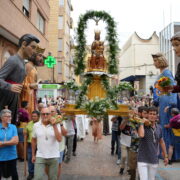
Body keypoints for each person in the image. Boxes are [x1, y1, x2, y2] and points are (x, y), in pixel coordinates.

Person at [0, 34, 39, 124]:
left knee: (11, 125)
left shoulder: (22, 62)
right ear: (24, 44)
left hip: (14, 97)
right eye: (32, 47)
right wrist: (9, 86)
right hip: (5, 98)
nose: (34, 51)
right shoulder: (13, 60)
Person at [152, 53, 179, 160]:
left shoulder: (167, 73)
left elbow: (172, 90)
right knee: (164, 127)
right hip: (163, 102)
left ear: (160, 61)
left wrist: (170, 104)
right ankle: (165, 152)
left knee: (168, 127)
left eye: (155, 61)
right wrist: (157, 101)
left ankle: (170, 154)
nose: (154, 63)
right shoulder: (162, 73)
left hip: (167, 104)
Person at [138, 107, 168, 180]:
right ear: (147, 115)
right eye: (150, 114)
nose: (152, 115)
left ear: (157, 116)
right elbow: (141, 135)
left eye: (154, 114)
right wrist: (141, 123)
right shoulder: (142, 126)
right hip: (142, 159)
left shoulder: (159, 128)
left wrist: (166, 156)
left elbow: (161, 141)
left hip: (154, 159)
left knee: (151, 178)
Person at [31, 107, 62, 180]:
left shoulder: (56, 124)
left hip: (53, 156)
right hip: (40, 155)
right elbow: (33, 140)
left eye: (47, 114)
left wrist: (54, 125)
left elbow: (59, 139)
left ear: (50, 115)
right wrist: (33, 155)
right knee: (37, 178)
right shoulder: (36, 125)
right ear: (40, 115)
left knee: (52, 178)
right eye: (43, 114)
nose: (45, 116)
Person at [21, 46, 45, 115]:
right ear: (34, 55)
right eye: (40, 55)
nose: (41, 59)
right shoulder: (28, 66)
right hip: (27, 97)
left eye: (42, 56)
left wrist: (35, 85)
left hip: (32, 96)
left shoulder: (33, 67)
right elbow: (22, 83)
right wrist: (33, 85)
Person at [0, 109, 19, 180]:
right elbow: (13, 142)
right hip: (0, 156)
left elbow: (16, 141)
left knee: (14, 174)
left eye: (10, 116)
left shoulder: (13, 127)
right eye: (7, 116)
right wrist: (10, 142)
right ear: (1, 118)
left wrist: (2, 143)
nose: (10, 118)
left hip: (12, 156)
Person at [24, 110, 40, 180]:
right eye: (32, 116)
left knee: (39, 160)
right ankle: (31, 173)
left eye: (35, 116)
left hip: (40, 144)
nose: (33, 117)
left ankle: (39, 173)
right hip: (31, 144)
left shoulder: (41, 124)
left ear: (38, 117)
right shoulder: (29, 124)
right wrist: (24, 132)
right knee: (30, 159)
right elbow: (25, 133)